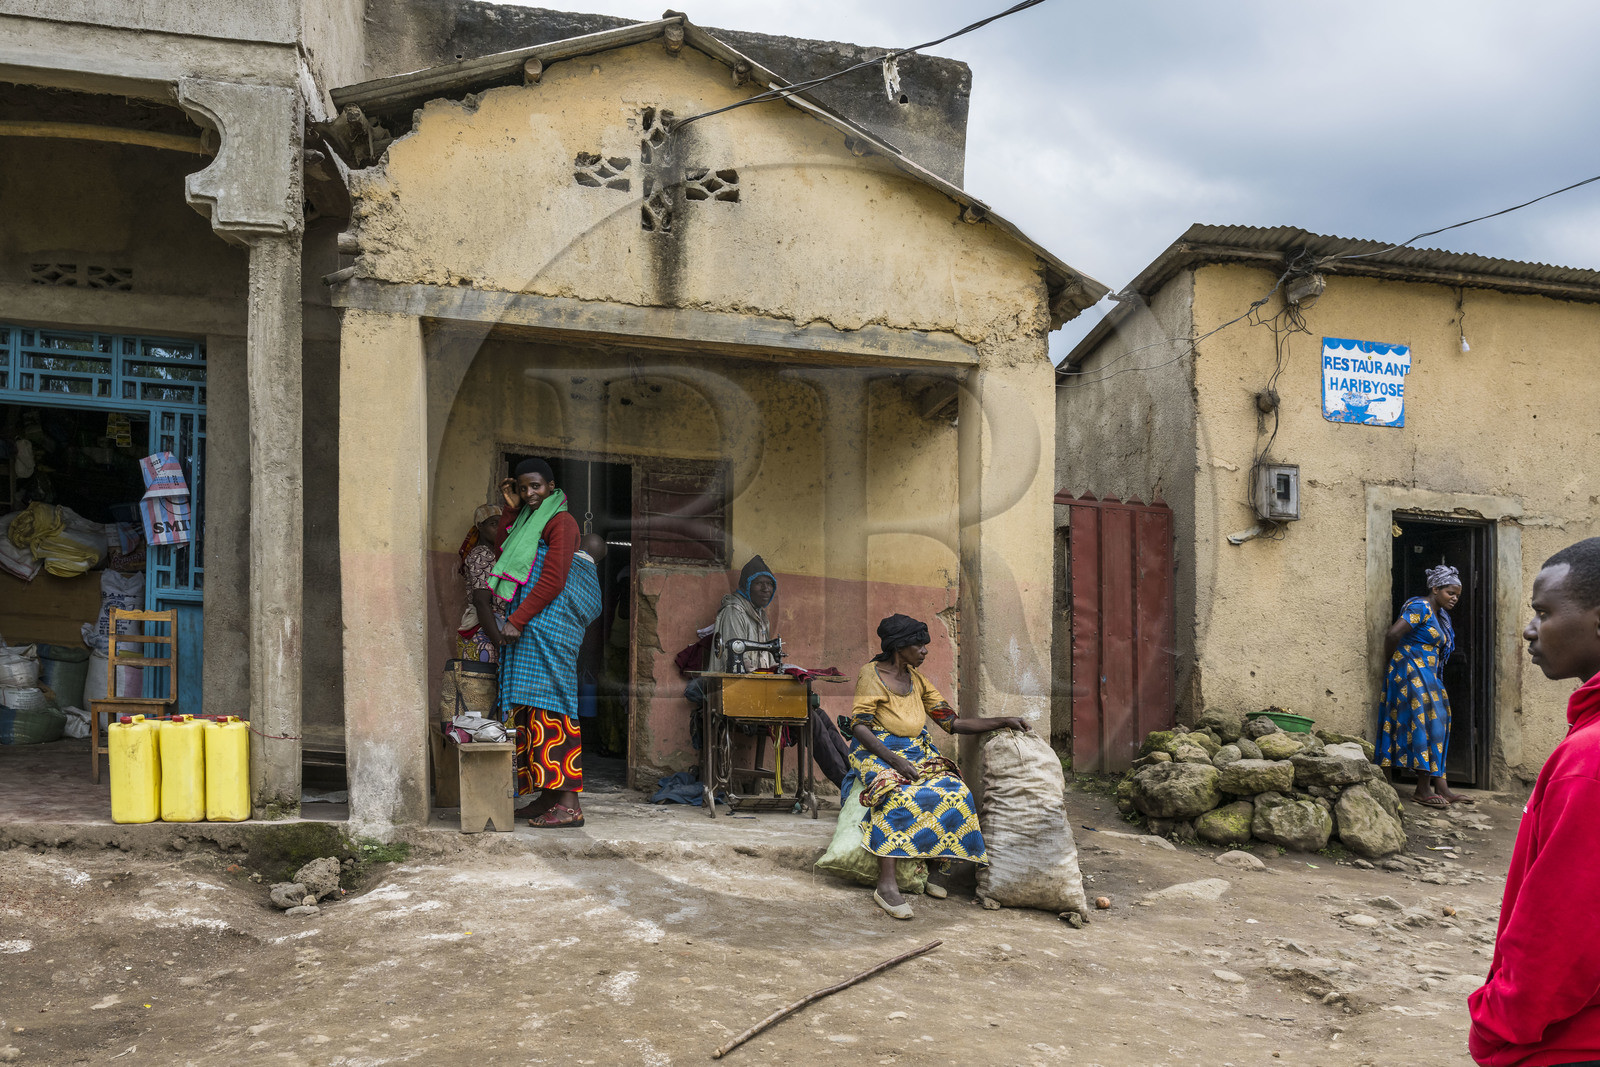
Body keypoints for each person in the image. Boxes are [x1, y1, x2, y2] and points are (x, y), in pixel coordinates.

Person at [1469, 537, 1600, 1066]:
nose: (1529, 629)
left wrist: (1496, 1024)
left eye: (1543, 613)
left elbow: (1564, 926)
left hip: (1568, 1045)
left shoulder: (1589, 761)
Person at [841, 613, 1028, 920]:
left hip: (916, 749)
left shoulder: (917, 680)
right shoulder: (870, 675)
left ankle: (938, 869)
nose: (926, 651)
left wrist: (1004, 720)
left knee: (956, 791)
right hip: (877, 749)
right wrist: (894, 760)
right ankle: (886, 885)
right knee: (894, 794)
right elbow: (859, 727)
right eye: (920, 646)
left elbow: (951, 722)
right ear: (901, 647)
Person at [492, 458, 603, 829]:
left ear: (551, 486)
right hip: (532, 629)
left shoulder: (563, 521)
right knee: (531, 711)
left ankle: (569, 803)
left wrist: (517, 620)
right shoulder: (526, 518)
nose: (529, 494)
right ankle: (547, 795)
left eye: (535, 486)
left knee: (552, 708)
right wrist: (511, 511)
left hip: (548, 629)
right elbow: (504, 549)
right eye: (522, 488)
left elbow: (554, 579)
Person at [1376, 563, 1469, 808]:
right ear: (1435, 588)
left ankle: (1442, 787)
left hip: (1428, 673)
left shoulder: (1440, 615)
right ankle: (1421, 790)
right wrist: (1392, 665)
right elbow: (1393, 635)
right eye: (1451, 593)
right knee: (1424, 723)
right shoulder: (1420, 606)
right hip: (1411, 670)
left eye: (1458, 594)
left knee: (1440, 722)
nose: (1455, 598)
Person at [455, 503, 507, 664]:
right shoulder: (482, 554)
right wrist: (499, 643)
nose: (499, 528)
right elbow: (481, 602)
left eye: (502, 523)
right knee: (482, 685)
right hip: (485, 632)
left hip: (493, 628)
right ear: (480, 526)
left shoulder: (496, 554)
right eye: (493, 524)